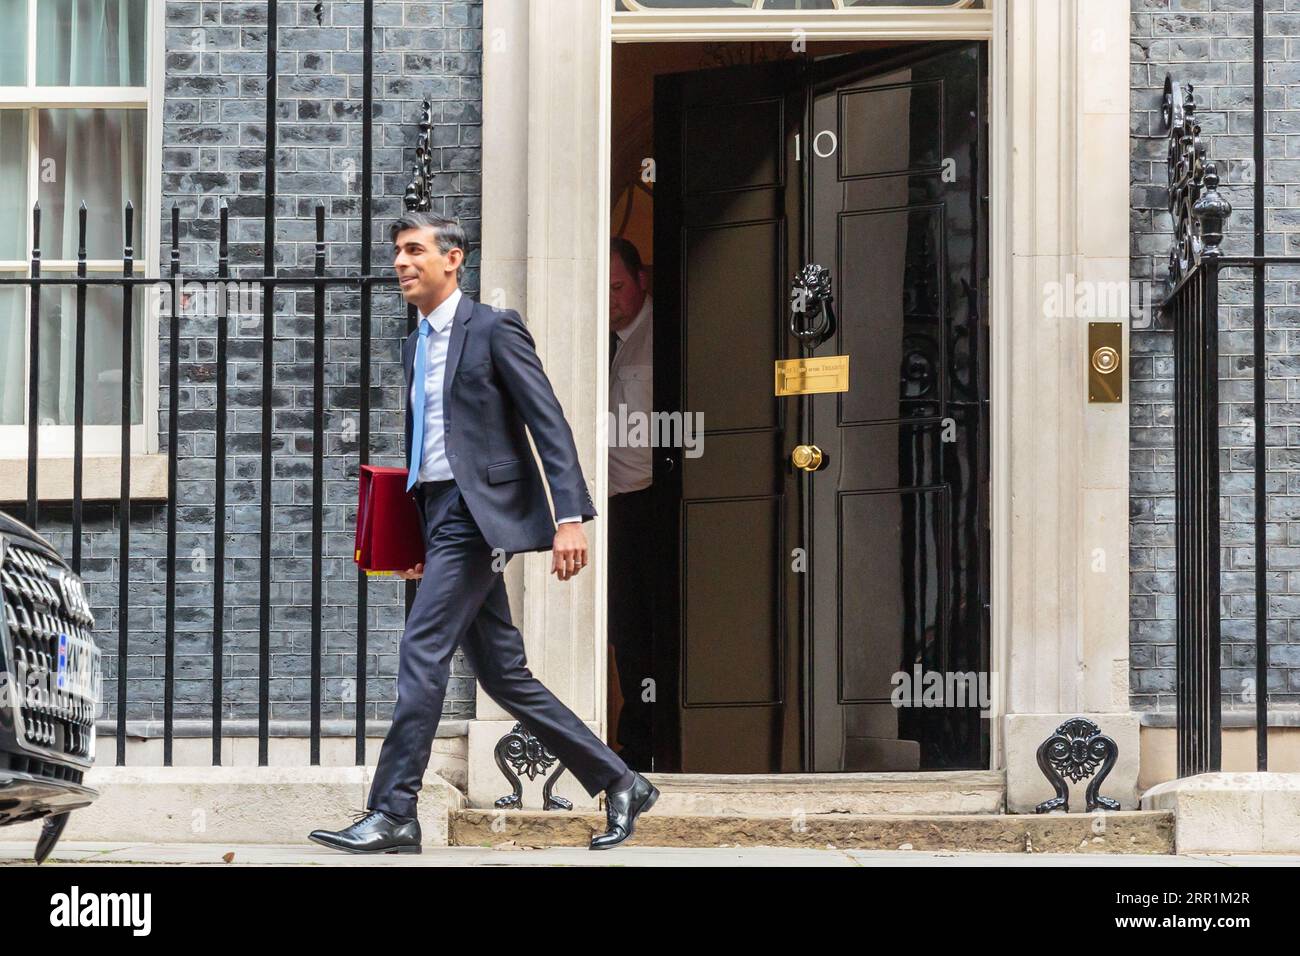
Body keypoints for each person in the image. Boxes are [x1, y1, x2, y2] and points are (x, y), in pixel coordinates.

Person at [308, 212, 658, 854]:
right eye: (397, 255)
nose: (401, 264)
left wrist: (569, 516)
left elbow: (547, 421)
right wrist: (413, 539)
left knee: (422, 651)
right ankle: (621, 781)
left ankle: (393, 811)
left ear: (454, 259)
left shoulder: (494, 330)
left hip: (476, 519)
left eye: (414, 251)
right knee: (504, 675)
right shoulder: (415, 343)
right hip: (439, 514)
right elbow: (424, 451)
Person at [607, 237, 654, 770]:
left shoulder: (660, 335)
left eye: (619, 286)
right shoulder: (607, 338)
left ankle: (650, 740)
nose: (612, 297)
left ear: (641, 280)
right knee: (624, 628)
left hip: (650, 502)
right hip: (614, 503)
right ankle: (634, 741)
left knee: (649, 626)